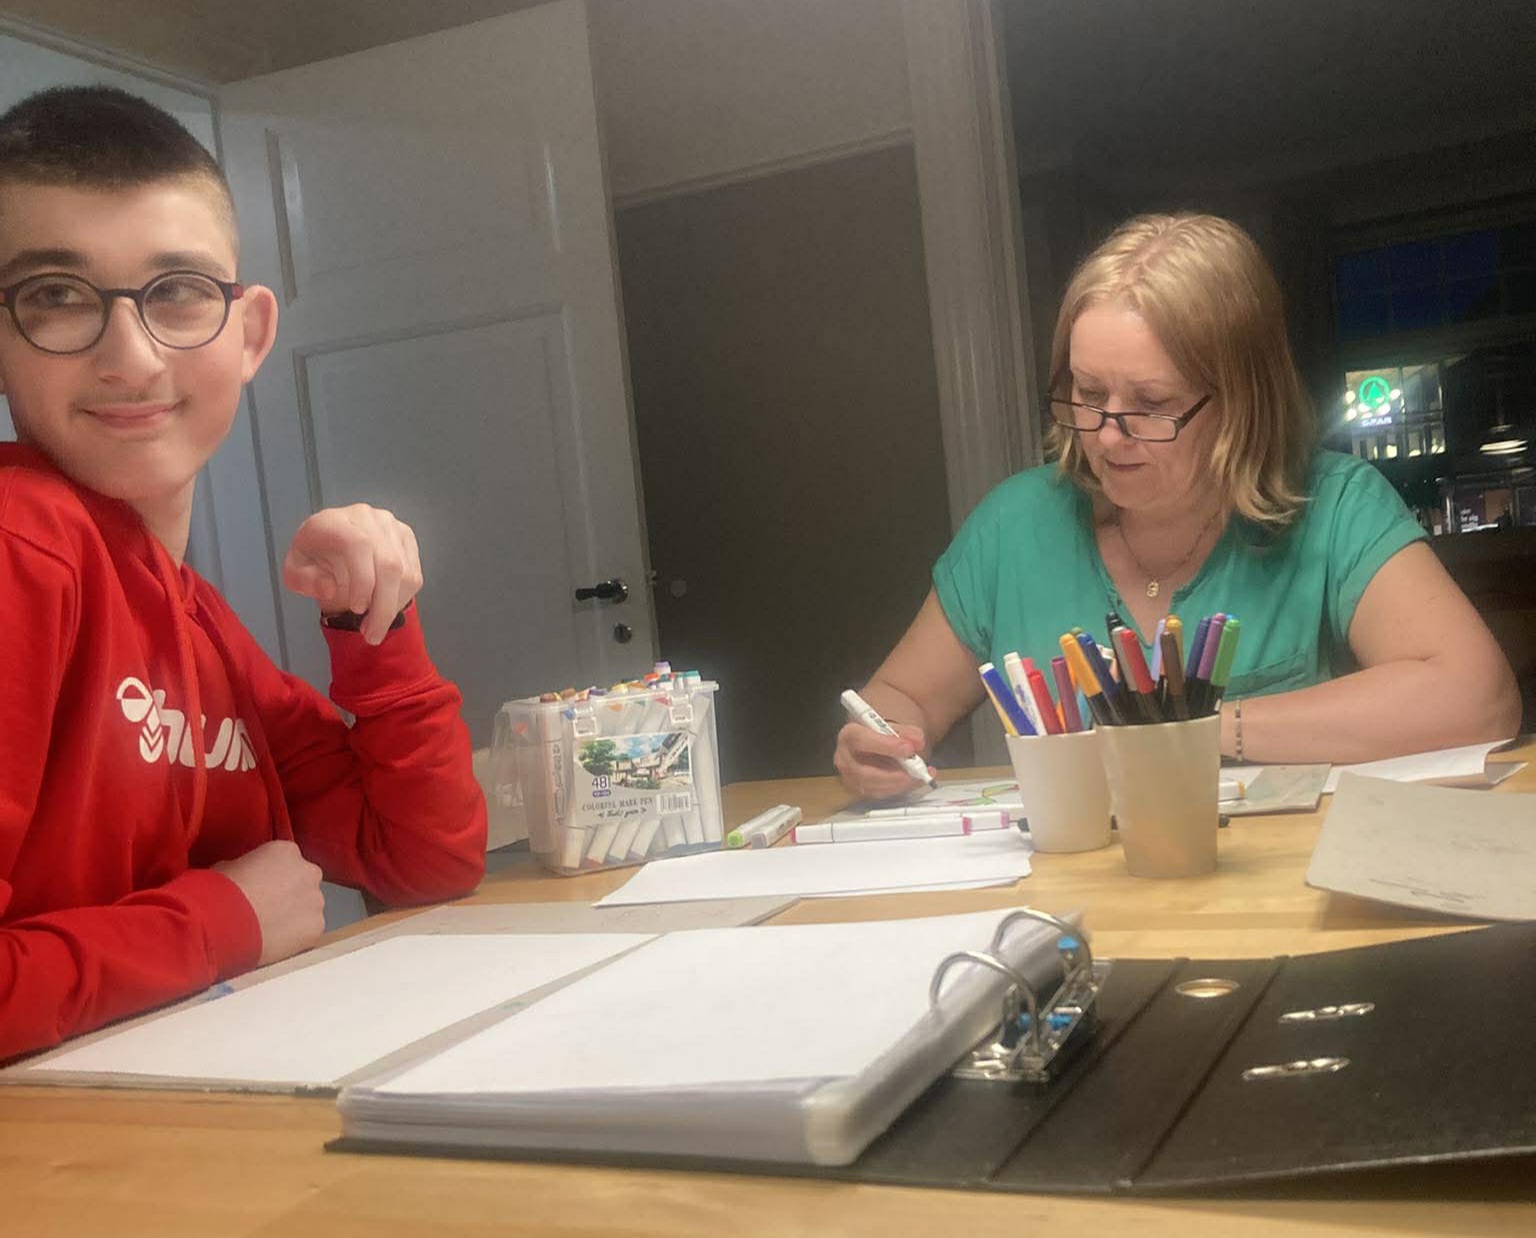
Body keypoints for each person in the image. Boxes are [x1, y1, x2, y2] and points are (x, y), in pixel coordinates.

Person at [0, 87, 486, 1059]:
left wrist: (373, 620)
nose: (130, 358)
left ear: (251, 332)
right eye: (55, 295)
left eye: (177, 290)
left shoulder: (198, 624)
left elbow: (422, 858)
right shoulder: (21, 548)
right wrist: (225, 919)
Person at [835, 213, 1520, 798]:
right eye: (1088, 393)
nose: (1108, 435)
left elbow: (1476, 698)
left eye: (1152, 403)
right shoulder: (1013, 525)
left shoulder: (1334, 504)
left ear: (1242, 402)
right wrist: (879, 743)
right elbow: (903, 698)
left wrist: (1200, 729)